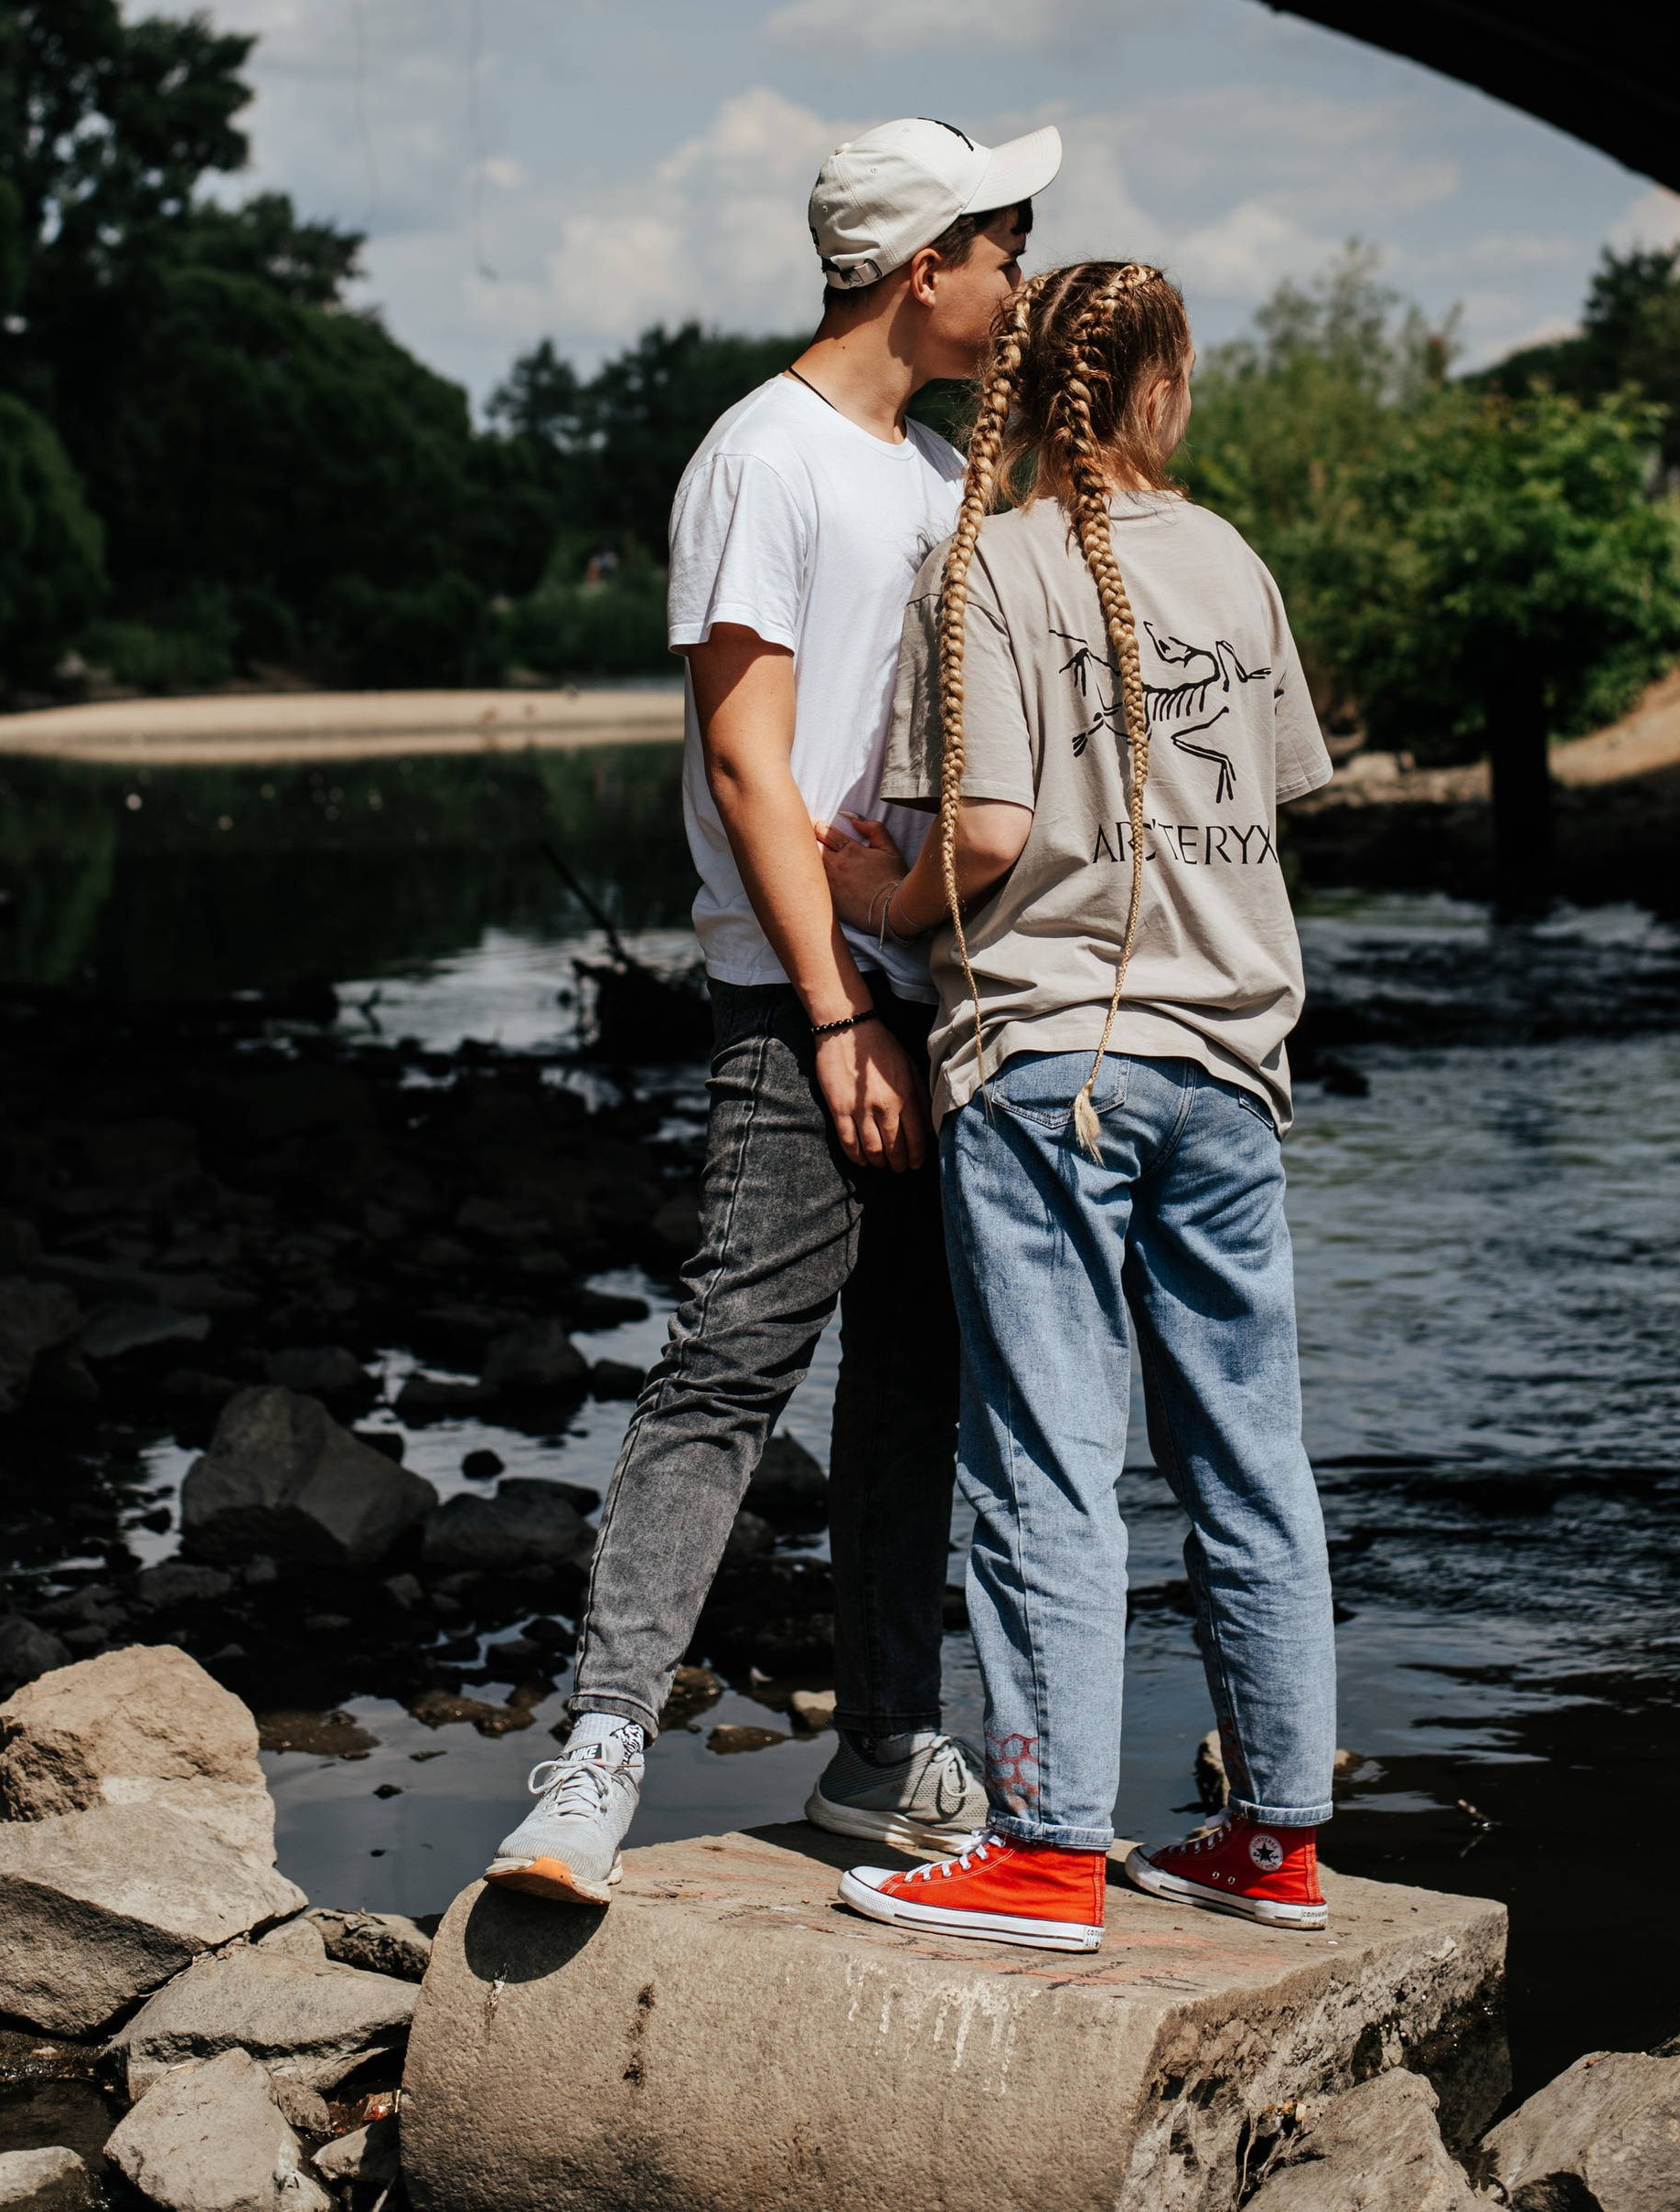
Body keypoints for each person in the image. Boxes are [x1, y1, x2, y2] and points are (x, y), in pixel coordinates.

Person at [482, 114, 1064, 1906]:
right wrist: (828, 1014)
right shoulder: (768, 456)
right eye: (1000, 243)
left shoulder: (930, 466)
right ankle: (591, 1761)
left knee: (911, 1380)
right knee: (730, 1360)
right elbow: (747, 755)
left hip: (920, 980)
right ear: (921, 265)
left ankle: (884, 1745)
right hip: (804, 994)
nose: (1015, 275)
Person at [819, 258, 1339, 1955]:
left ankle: (1047, 1847)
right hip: (1231, 1073)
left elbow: (977, 839)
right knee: (1249, 1458)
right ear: (1164, 389)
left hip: (1055, 1066)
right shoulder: (1236, 564)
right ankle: (1275, 1841)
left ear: (1025, 393)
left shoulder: (991, 567)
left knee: (1049, 1452)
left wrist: (871, 904)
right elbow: (1264, 806)